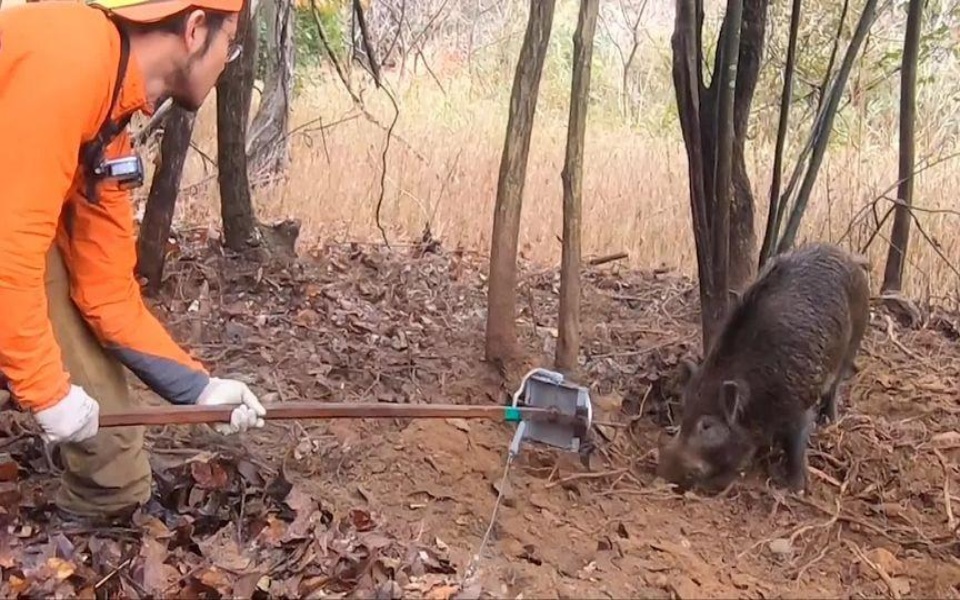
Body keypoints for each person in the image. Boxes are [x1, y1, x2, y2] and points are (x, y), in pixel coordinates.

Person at [0, 0, 267, 522]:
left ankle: (105, 492)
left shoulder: (109, 119)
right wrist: (49, 394)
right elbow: (8, 251)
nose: (226, 63)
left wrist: (200, 387)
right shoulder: (68, 54)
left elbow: (106, 292)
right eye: (230, 47)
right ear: (195, 30)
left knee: (116, 479)